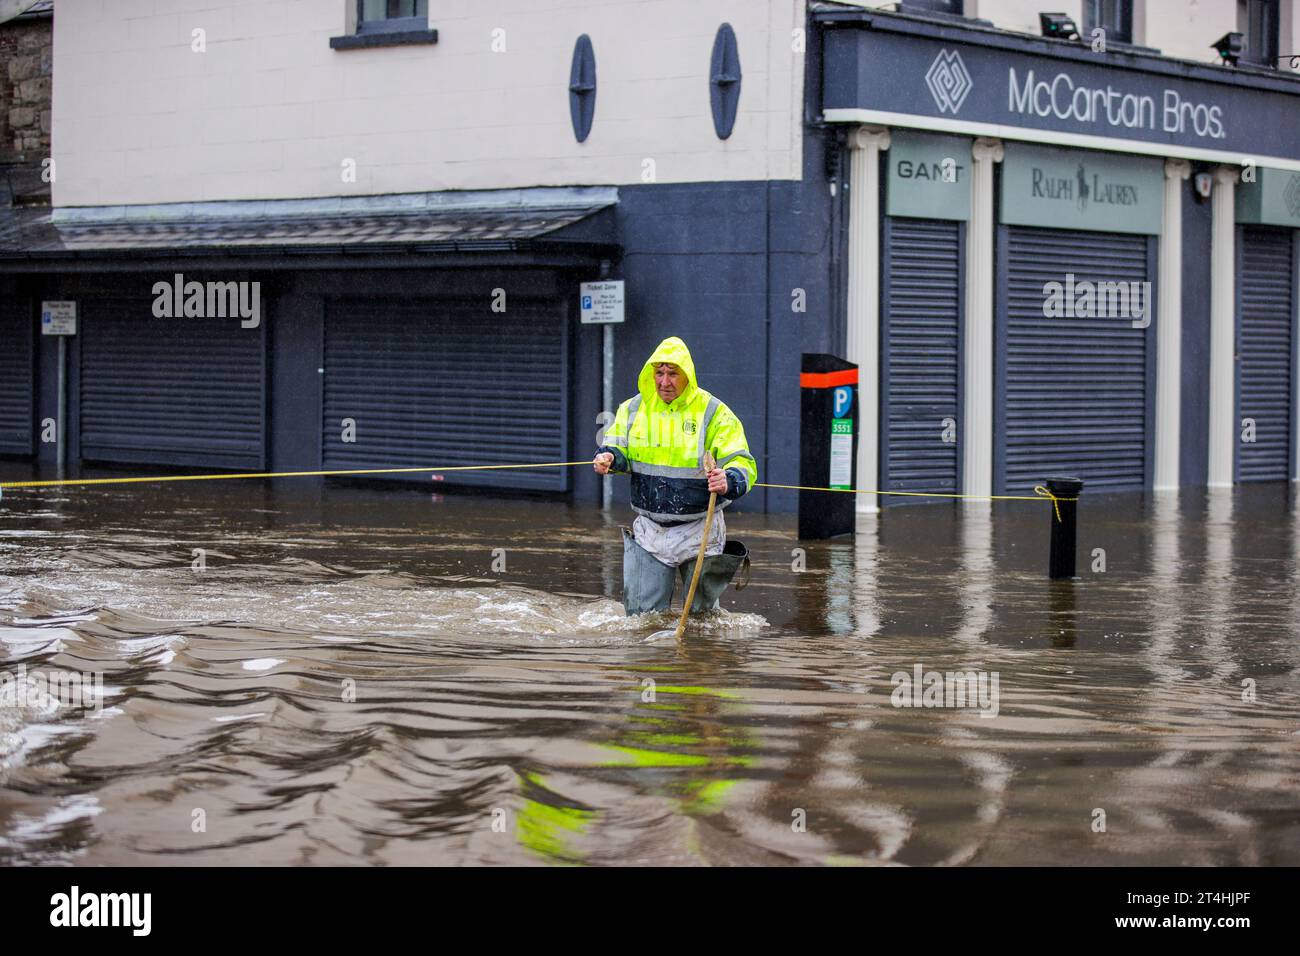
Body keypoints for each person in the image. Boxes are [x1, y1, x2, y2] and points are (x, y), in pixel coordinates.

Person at [593, 336, 757, 615]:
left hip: (699, 528)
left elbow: (743, 462)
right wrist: (609, 458)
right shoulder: (632, 409)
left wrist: (729, 480)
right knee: (642, 619)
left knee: (702, 621)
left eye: (672, 374)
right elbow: (617, 447)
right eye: (659, 373)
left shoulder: (714, 412)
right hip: (650, 529)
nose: (664, 382)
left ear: (687, 376)